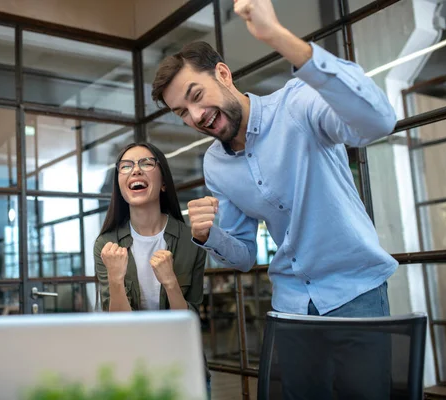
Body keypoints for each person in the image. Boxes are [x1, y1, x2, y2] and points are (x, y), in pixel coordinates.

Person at [150, 0, 397, 398]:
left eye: (196, 96)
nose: (195, 116)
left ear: (223, 74)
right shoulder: (215, 164)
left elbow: (378, 121)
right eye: (182, 112)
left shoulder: (297, 104)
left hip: (355, 295)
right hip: (291, 307)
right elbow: (244, 254)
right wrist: (209, 234)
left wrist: (276, 36)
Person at [93, 142, 211, 398]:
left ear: (164, 182)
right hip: (131, 369)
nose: (136, 170)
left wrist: (170, 282)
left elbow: (188, 325)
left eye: (146, 163)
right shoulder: (107, 244)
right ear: (120, 185)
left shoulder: (191, 239)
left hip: (181, 366)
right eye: (126, 166)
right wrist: (115, 279)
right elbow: (118, 326)